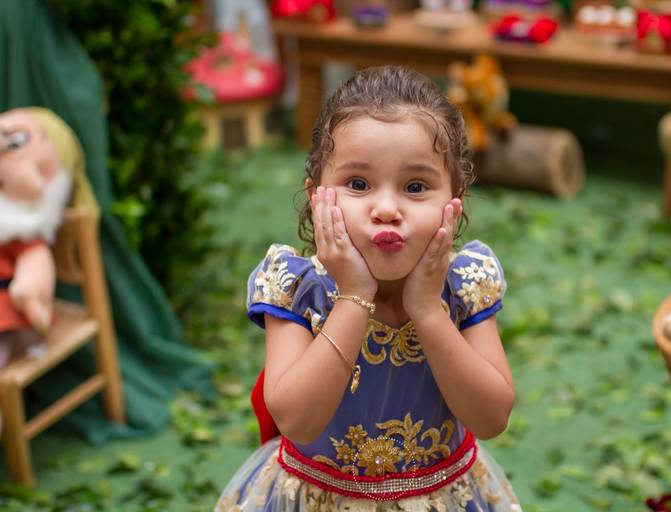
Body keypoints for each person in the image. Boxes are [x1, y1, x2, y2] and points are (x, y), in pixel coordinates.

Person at [216, 66, 522, 512]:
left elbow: (492, 418)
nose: (385, 209)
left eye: (415, 187)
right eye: (358, 184)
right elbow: (297, 421)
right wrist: (354, 296)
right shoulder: (299, 288)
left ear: (454, 201)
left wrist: (427, 309)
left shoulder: (463, 285)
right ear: (316, 194)